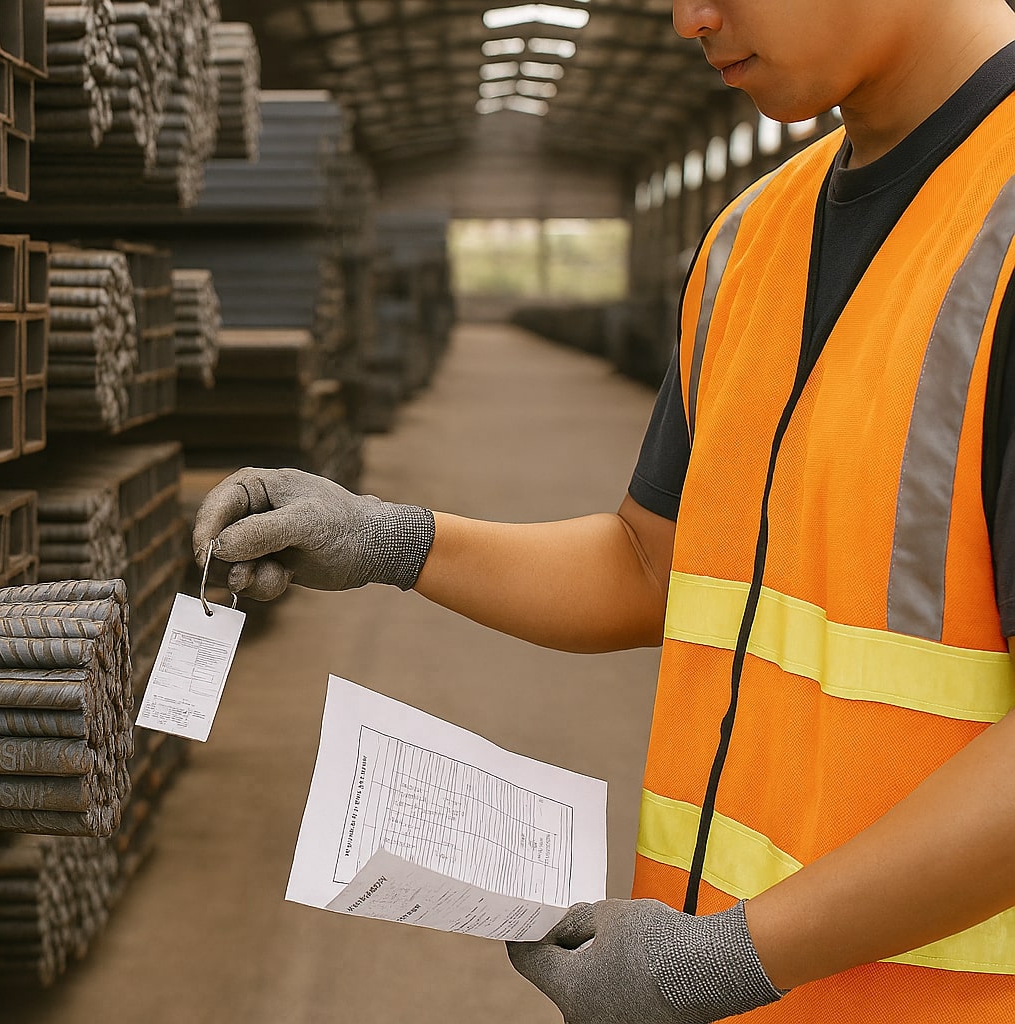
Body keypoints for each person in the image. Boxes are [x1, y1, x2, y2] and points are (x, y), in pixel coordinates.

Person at [191, 1, 1015, 1021]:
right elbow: (649, 564)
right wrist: (389, 540)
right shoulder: (751, 241)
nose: (687, 18)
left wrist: (729, 958)